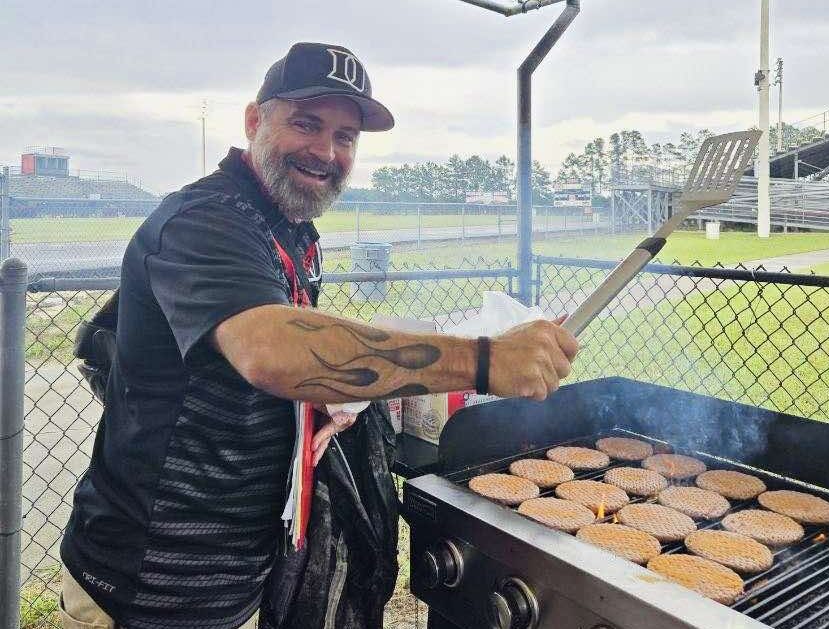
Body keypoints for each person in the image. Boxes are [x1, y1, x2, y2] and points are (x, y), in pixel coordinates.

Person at [59, 42, 579, 629]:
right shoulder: (204, 221)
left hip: (238, 569)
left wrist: (335, 394)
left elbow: (282, 359)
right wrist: (484, 358)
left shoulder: (293, 231)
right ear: (255, 120)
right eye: (306, 123)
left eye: (346, 136)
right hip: (146, 582)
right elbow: (270, 349)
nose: (326, 151)